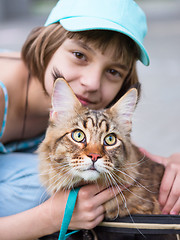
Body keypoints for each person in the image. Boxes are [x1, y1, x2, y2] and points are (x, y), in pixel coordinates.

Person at [0, 0, 179, 239]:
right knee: (44, 191)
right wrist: (51, 217)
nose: (92, 83)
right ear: (46, 43)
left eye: (112, 71)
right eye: (79, 55)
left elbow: (126, 154)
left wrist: (171, 165)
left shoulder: (79, 112)